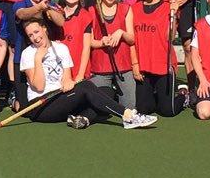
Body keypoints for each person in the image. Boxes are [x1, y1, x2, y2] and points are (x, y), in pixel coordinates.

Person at [17, 18, 157, 129]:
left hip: (60, 97)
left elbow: (66, 77)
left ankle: (83, 118)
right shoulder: (28, 54)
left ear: (44, 28)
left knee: (107, 91)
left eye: (36, 32)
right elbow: (39, 86)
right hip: (41, 106)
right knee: (86, 87)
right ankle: (128, 116)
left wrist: (67, 82)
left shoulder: (61, 48)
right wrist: (38, 58)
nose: (35, 37)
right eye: (30, 35)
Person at [128, 0, 181, 117]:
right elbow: (131, 39)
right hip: (143, 66)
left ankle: (184, 95)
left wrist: (174, 15)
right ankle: (157, 96)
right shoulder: (134, 9)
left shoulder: (168, 8)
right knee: (144, 109)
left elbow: (170, 37)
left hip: (163, 64)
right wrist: (135, 65)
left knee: (167, 111)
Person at [87, 0, 136, 112]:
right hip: (100, 67)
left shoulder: (126, 9)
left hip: (123, 66)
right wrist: (102, 42)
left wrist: (121, 33)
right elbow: (90, 42)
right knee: (100, 109)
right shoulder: (92, 11)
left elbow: (132, 39)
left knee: (129, 109)